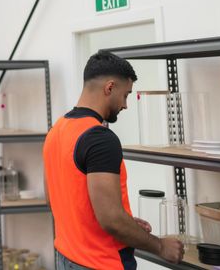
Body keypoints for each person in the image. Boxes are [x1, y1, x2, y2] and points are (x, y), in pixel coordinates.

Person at [43, 50, 184, 269]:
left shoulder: (57, 129)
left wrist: (126, 223)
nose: (126, 105)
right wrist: (161, 246)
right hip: (101, 263)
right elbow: (111, 220)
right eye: (126, 95)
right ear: (109, 88)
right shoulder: (100, 138)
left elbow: (57, 198)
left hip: (66, 257)